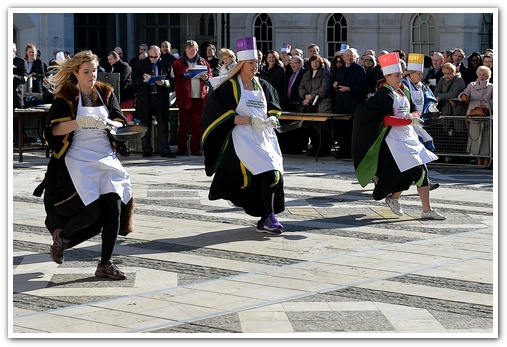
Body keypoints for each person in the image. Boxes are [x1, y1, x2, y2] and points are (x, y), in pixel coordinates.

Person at [32, 50, 133, 280]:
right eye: (86, 71)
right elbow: (53, 131)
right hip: (79, 158)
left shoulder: (106, 92)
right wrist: (79, 121)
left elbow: (119, 119)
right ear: (76, 73)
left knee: (114, 209)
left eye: (94, 71)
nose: (92, 75)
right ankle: (63, 236)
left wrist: (110, 124)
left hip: (106, 157)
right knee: (91, 212)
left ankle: (105, 263)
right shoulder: (66, 96)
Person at [201, 36, 285, 234]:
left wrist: (272, 119)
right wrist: (248, 120)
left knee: (274, 173)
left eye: (256, 62)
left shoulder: (262, 85)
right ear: (241, 64)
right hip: (243, 138)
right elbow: (219, 114)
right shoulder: (229, 87)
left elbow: (274, 106)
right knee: (269, 171)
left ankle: (266, 216)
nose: (255, 66)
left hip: (265, 136)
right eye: (251, 63)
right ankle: (269, 216)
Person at [352, 52, 445, 220]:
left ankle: (421, 208)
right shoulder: (383, 93)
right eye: (396, 75)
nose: (399, 78)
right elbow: (386, 119)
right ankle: (399, 199)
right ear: (386, 76)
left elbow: (413, 109)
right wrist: (408, 121)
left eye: (401, 75)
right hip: (392, 141)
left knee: (420, 169)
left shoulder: (404, 90)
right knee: (414, 170)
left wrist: (415, 117)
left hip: (408, 137)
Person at [402, 53, 441, 190]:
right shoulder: (402, 86)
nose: (420, 75)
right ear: (410, 73)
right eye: (417, 73)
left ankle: (424, 181)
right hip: (404, 126)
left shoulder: (423, 87)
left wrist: (431, 108)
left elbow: (430, 100)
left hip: (419, 125)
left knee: (420, 154)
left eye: (421, 73)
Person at [132, 45, 176, 158]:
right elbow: (134, 79)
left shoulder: (166, 64)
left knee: (163, 124)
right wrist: (143, 78)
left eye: (155, 57)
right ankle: (146, 150)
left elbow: (172, 81)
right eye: (151, 57)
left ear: (159, 54)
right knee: (145, 124)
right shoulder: (141, 63)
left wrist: (164, 83)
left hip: (160, 97)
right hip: (146, 98)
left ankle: (164, 150)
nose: (153, 59)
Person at [172, 40, 212, 156]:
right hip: (184, 97)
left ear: (197, 50)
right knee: (183, 124)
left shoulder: (203, 61)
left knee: (197, 124)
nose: (191, 51)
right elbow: (174, 74)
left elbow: (210, 76)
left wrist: (206, 77)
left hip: (199, 97)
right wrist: (186, 71)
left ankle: (195, 149)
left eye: (193, 49)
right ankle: (182, 148)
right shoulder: (178, 62)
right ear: (185, 50)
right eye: (189, 49)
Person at [331, 47, 368, 159]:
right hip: (341, 105)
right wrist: (335, 85)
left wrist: (349, 89)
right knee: (342, 131)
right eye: (347, 55)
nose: (349, 57)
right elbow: (337, 82)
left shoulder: (359, 69)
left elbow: (362, 87)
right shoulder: (341, 69)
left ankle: (351, 153)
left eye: (352, 55)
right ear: (344, 57)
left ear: (355, 57)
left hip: (353, 105)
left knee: (351, 131)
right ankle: (342, 151)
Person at [299, 54, 333, 157]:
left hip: (322, 105)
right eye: (313, 61)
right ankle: (314, 147)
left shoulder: (325, 74)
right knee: (312, 128)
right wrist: (305, 95)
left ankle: (324, 149)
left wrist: (311, 96)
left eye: (317, 61)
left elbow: (324, 89)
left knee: (323, 129)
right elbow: (301, 87)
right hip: (310, 106)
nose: (315, 63)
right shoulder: (306, 74)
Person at [459, 65, 493, 167]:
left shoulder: (492, 87)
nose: (482, 76)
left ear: (488, 76)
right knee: (475, 137)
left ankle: (486, 158)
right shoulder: (471, 85)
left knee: (486, 138)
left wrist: (486, 105)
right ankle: (478, 157)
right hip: (474, 116)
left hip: (486, 116)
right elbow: (465, 92)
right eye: (480, 74)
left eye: (484, 75)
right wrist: (463, 96)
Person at [277, 55, 308, 154]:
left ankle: (298, 147)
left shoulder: (304, 74)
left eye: (295, 63)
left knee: (297, 128)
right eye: (292, 63)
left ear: (300, 64)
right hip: (288, 103)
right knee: (287, 126)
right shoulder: (290, 73)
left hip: (298, 104)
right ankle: (288, 147)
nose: (293, 65)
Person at [433, 62, 467, 147]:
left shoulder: (459, 80)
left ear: (454, 73)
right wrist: (448, 98)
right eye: (445, 73)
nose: (446, 76)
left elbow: (455, 93)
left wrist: (442, 97)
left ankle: (459, 155)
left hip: (457, 111)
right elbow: (436, 92)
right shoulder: (442, 80)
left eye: (449, 73)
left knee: (458, 133)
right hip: (446, 110)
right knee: (446, 133)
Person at [13, 43, 27, 146]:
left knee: (16, 122)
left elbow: (24, 79)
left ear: (14, 51)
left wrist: (13, 76)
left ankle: (19, 143)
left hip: (15, 96)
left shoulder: (21, 62)